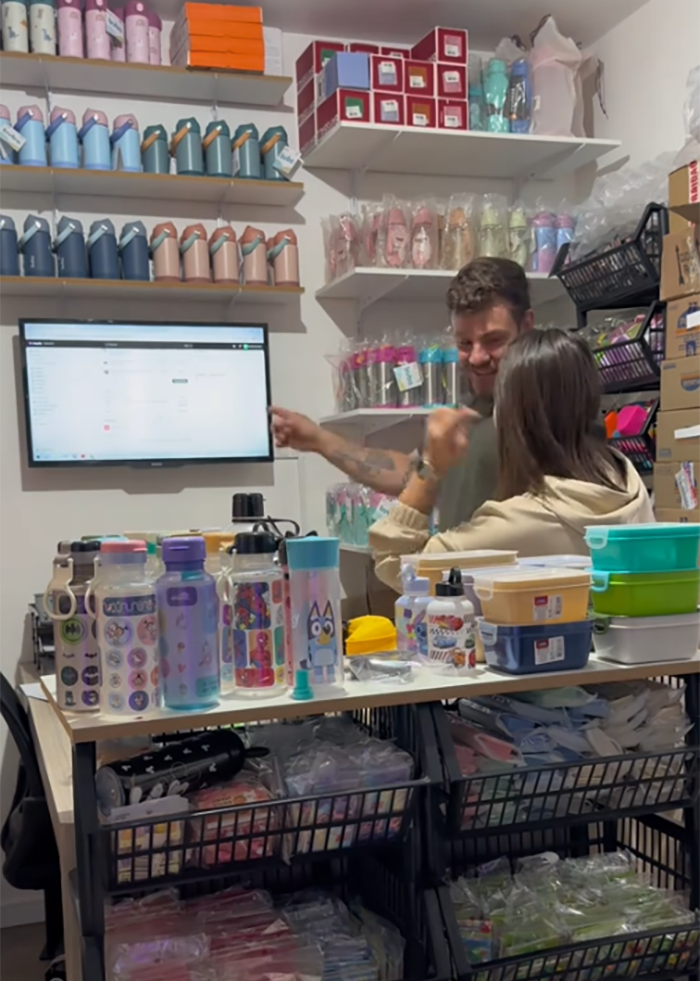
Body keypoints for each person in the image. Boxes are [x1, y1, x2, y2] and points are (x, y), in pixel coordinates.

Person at [368, 328, 654, 591]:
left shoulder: (521, 523)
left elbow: (398, 565)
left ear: (511, 418)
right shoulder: (626, 481)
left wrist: (430, 467)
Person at [271, 258, 534, 531]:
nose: (477, 357)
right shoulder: (469, 410)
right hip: (457, 571)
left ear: (527, 325)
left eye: (493, 340)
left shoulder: (549, 410)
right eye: (465, 343)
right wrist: (318, 439)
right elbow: (410, 474)